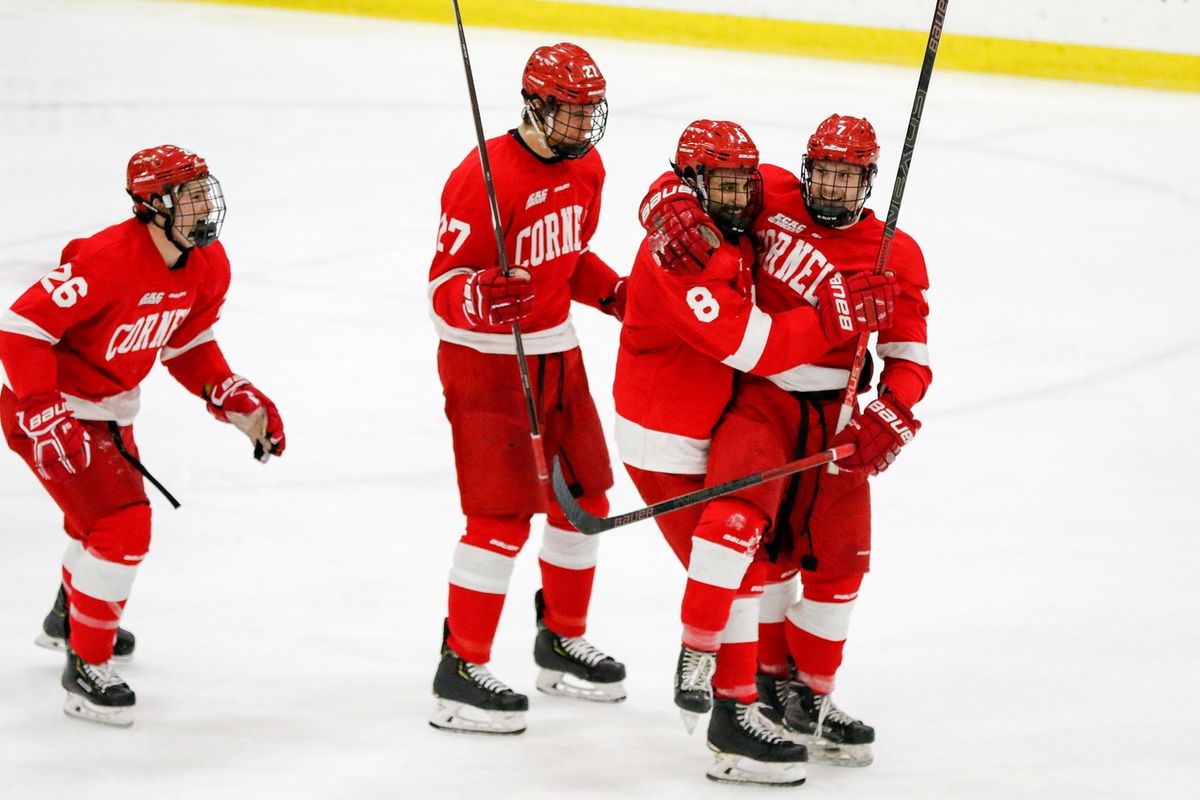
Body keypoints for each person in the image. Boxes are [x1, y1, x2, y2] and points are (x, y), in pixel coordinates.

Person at [643, 114, 932, 768]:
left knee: (841, 565)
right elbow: (684, 184)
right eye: (823, 172)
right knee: (751, 544)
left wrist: (891, 411)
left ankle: (808, 694)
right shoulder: (769, 194)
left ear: (868, 181)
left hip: (837, 418)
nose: (831, 187)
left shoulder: (898, 252)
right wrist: (663, 207)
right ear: (804, 168)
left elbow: (911, 358)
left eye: (847, 176)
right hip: (761, 398)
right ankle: (731, 666)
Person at [0, 145, 286, 727]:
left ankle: (69, 616)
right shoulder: (107, 258)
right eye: (192, 194)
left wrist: (227, 391)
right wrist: (41, 407)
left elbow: (185, 342)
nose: (206, 203)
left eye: (207, 189)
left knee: (97, 521)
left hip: (110, 409)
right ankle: (86, 668)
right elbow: (21, 327)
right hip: (50, 410)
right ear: (153, 204)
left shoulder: (209, 263)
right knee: (120, 525)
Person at [426, 42, 627, 736]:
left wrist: (615, 294)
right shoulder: (481, 177)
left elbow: (567, 259)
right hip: (484, 363)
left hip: (556, 353)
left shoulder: (588, 167)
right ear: (536, 106)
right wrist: (475, 298)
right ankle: (460, 669)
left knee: (585, 502)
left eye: (588, 113)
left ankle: (560, 641)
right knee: (501, 518)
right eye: (569, 113)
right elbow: (440, 286)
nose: (582, 127)